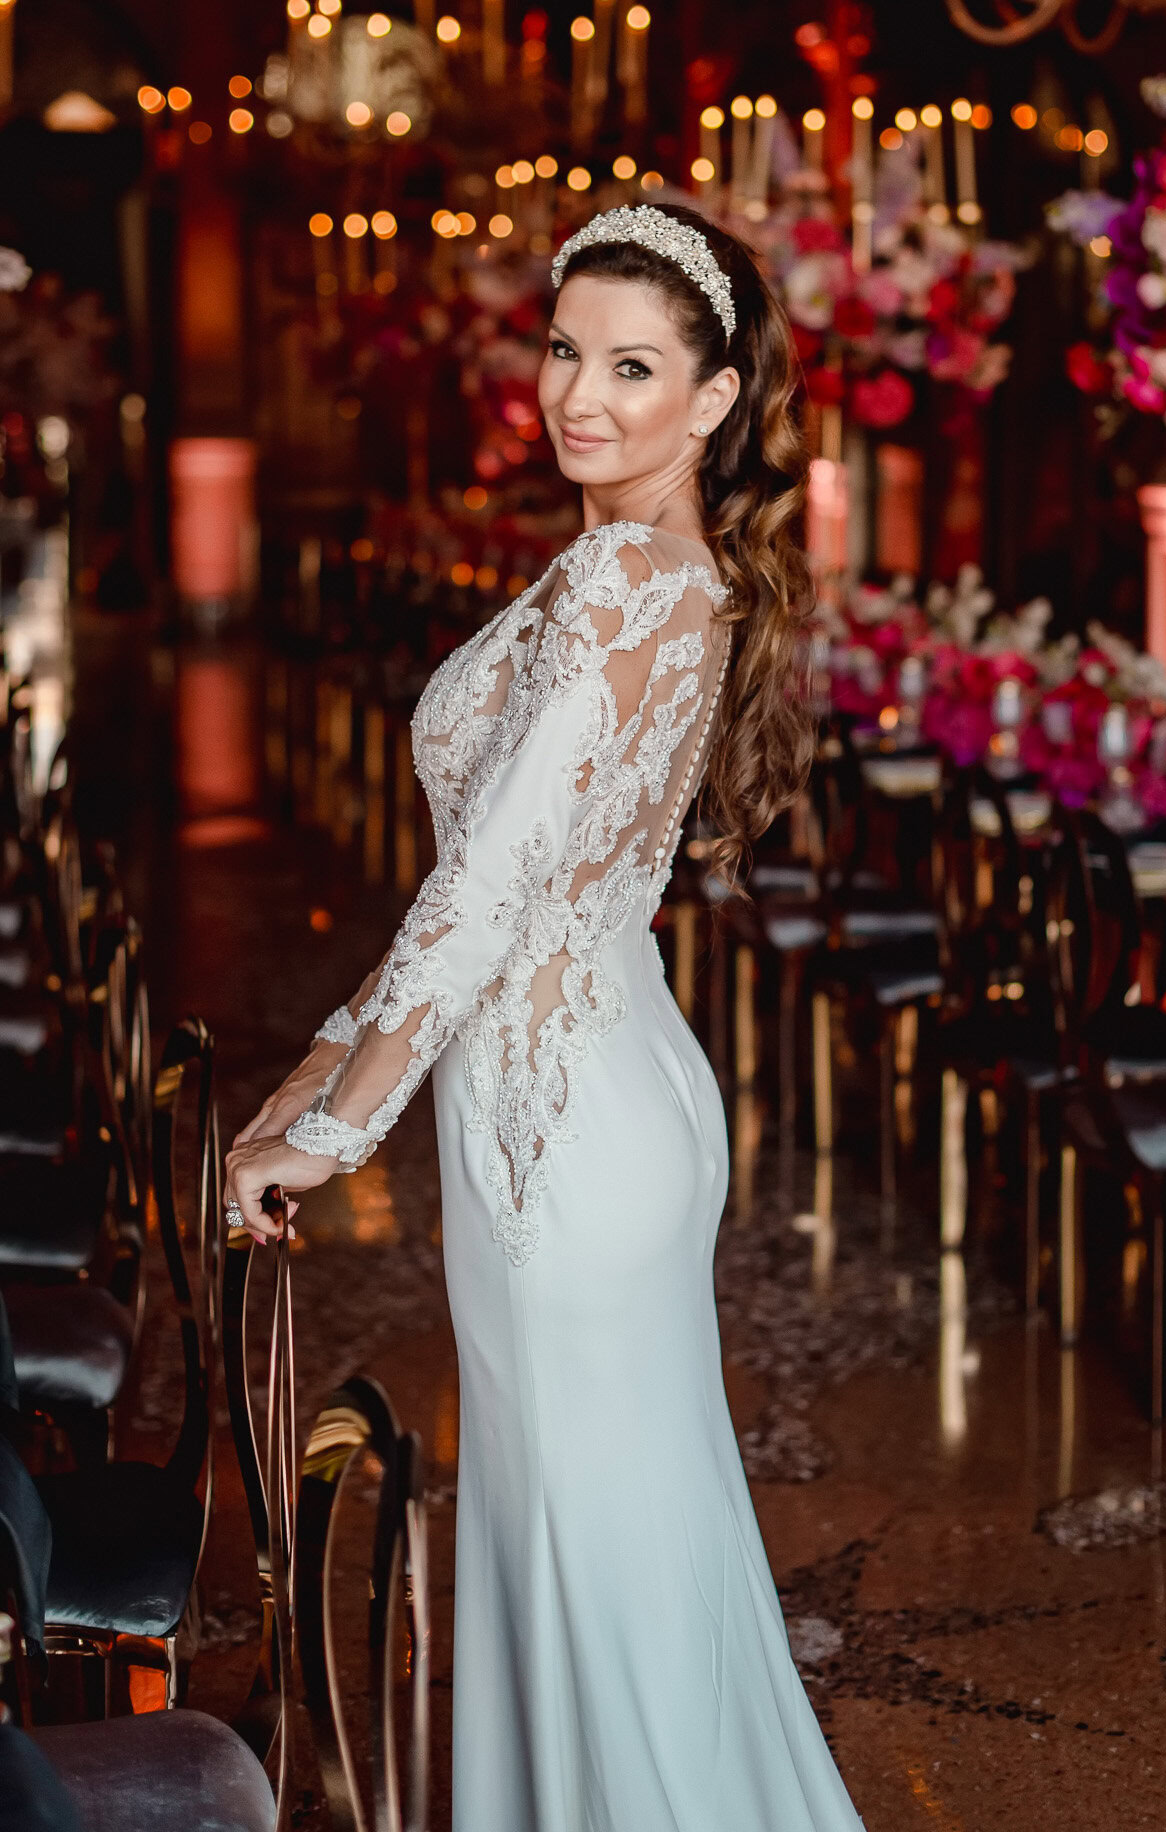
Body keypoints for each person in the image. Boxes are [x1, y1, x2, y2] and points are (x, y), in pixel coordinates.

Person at [224, 203, 866, 1832]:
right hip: (577, 1084)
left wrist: (324, 1126)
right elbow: (485, 882)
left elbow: (488, 897)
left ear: (714, 402)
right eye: (566, 350)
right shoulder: (634, 567)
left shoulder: (625, 584)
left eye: (632, 366)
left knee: (605, 1553)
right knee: (603, 1540)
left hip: (564, 1128)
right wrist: (317, 1069)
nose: (579, 394)